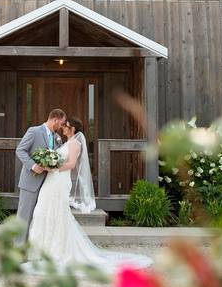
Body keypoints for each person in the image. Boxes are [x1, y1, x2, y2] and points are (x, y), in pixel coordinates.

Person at [26, 117, 152, 273]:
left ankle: (56, 250)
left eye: (65, 126)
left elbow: (71, 164)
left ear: (72, 129)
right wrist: (49, 164)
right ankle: (40, 249)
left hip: (59, 180)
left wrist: (52, 168)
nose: (63, 128)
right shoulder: (65, 142)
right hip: (52, 181)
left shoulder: (75, 144)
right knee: (42, 211)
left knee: (56, 212)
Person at [15, 108, 67, 238]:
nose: (61, 127)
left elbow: (57, 158)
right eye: (61, 123)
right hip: (30, 182)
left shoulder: (57, 138)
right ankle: (18, 250)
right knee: (24, 217)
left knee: (39, 218)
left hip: (48, 185)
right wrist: (33, 165)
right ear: (55, 120)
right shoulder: (34, 131)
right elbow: (20, 150)